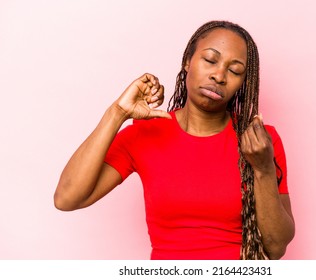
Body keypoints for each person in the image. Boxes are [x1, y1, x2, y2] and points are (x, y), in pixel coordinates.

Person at [54, 20, 295, 260]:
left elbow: (275, 247)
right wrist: (117, 113)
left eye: (234, 71)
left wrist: (262, 168)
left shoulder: (260, 141)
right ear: (188, 61)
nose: (219, 75)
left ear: (243, 83)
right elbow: (67, 198)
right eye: (210, 60)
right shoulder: (145, 133)